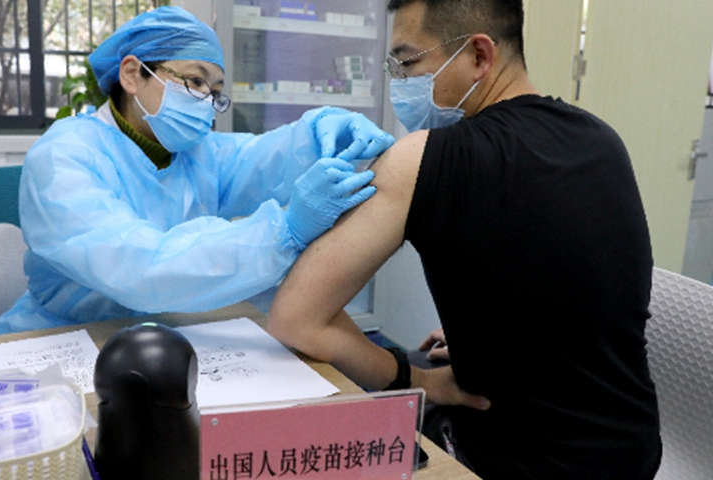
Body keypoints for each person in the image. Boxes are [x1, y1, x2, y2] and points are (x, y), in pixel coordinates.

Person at [267, 1, 662, 479]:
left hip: (516, 463)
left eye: (408, 63)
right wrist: (489, 336)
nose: (400, 81)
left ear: (479, 55)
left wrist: (415, 379)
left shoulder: (423, 159)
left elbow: (296, 319)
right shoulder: (602, 139)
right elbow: (570, 279)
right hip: (632, 453)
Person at [0, 6, 394, 336]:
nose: (206, 102)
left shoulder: (196, 153)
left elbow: (257, 158)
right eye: (196, 81)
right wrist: (283, 231)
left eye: (214, 92)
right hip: (61, 340)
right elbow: (141, 270)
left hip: (164, 331)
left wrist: (316, 131)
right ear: (132, 74)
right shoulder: (63, 157)